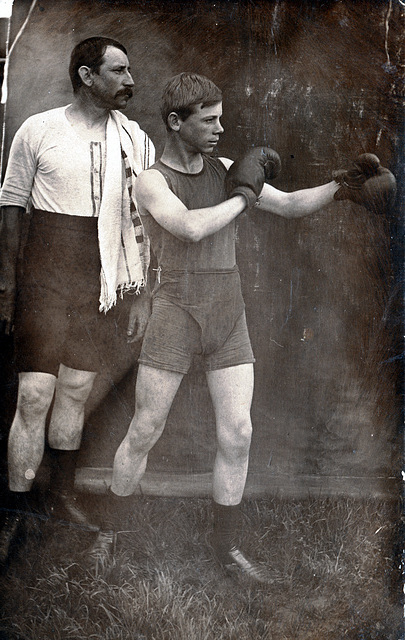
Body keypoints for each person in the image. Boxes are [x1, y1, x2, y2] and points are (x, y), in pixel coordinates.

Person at [93, 73, 395, 580]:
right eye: (207, 120)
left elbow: (291, 204)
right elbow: (189, 228)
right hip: (176, 310)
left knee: (238, 433)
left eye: (220, 118)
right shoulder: (150, 180)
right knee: (146, 428)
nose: (220, 128)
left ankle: (224, 550)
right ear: (175, 122)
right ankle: (112, 533)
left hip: (227, 309)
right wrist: (242, 198)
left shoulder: (229, 169)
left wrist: (341, 187)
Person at [0, 36, 155, 565]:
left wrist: (138, 295)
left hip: (102, 278)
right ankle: (18, 512)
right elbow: (11, 204)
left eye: (130, 69)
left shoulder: (133, 139)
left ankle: (61, 499)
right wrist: (6, 287)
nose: (129, 81)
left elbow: (145, 226)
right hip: (45, 273)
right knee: (34, 397)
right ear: (87, 77)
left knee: (74, 391)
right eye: (118, 71)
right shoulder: (39, 129)